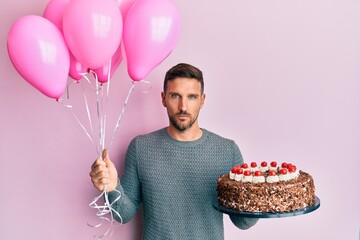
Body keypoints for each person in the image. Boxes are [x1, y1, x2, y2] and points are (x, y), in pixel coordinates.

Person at [89, 63, 259, 239]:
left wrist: (256, 195)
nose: (183, 106)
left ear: (202, 100)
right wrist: (111, 188)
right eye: (175, 96)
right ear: (163, 98)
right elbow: (123, 215)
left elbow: (243, 223)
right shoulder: (141, 148)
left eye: (192, 97)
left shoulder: (227, 151)